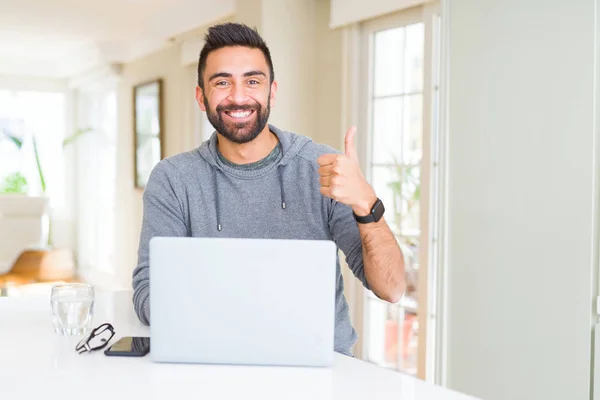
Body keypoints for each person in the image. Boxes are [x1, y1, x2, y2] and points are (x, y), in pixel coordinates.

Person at [132, 22, 405, 357]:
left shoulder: (324, 167)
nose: (238, 96)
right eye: (222, 82)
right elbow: (148, 293)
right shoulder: (173, 179)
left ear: (272, 91)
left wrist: (367, 202)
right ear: (201, 97)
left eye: (252, 81)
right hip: (213, 361)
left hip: (320, 367)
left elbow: (391, 289)